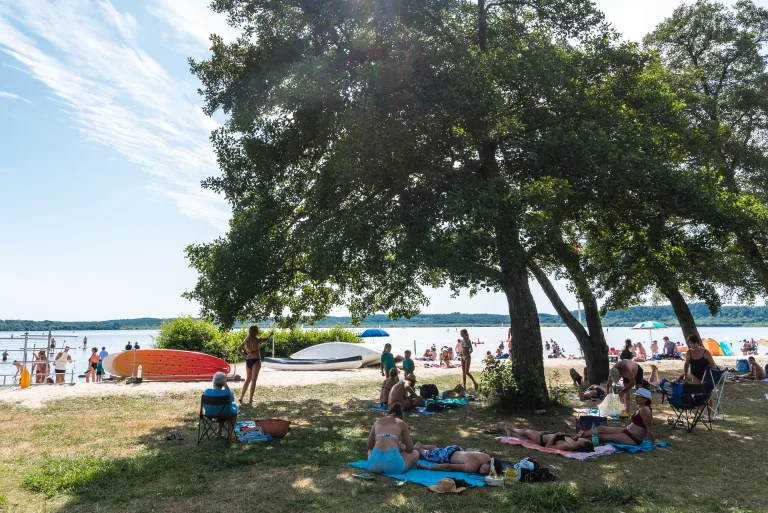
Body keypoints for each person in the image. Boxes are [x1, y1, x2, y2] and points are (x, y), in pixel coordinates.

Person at [577, 388, 656, 446]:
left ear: (645, 399)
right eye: (636, 396)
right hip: (627, 431)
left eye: (638, 397)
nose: (635, 398)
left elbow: (649, 429)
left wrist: (654, 444)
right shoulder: (640, 406)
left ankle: (578, 442)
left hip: (633, 438)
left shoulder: (645, 410)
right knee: (601, 428)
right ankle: (576, 437)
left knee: (601, 436)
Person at [366, 404, 418, 474]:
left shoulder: (378, 421)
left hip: (373, 466)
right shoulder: (401, 423)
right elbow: (410, 449)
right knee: (415, 453)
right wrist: (402, 448)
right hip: (394, 467)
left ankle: (379, 461)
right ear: (400, 416)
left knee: (371, 450)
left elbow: (369, 446)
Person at [414, 443, 500, 475]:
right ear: (488, 463)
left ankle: (422, 445)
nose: (484, 472)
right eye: (486, 469)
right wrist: (427, 467)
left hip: (457, 449)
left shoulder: (487, 457)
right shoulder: (472, 467)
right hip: (447, 454)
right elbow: (448, 467)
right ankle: (410, 447)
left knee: (437, 450)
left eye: (487, 473)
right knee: (423, 453)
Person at [503, 424, 595, 452]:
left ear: (583, 444)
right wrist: (577, 437)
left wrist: (555, 436)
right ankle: (511, 434)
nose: (585, 438)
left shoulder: (566, 447)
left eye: (586, 440)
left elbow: (547, 447)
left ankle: (513, 429)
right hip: (548, 434)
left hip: (541, 438)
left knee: (526, 431)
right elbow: (570, 440)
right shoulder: (574, 442)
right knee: (524, 436)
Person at [237, 326, 268, 404]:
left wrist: (245, 356)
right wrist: (270, 335)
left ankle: (241, 397)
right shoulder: (257, 340)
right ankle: (250, 399)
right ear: (255, 332)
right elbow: (266, 339)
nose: (258, 331)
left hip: (249, 360)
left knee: (247, 380)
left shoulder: (246, 341)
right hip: (256, 360)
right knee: (254, 380)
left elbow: (239, 349)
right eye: (257, 330)